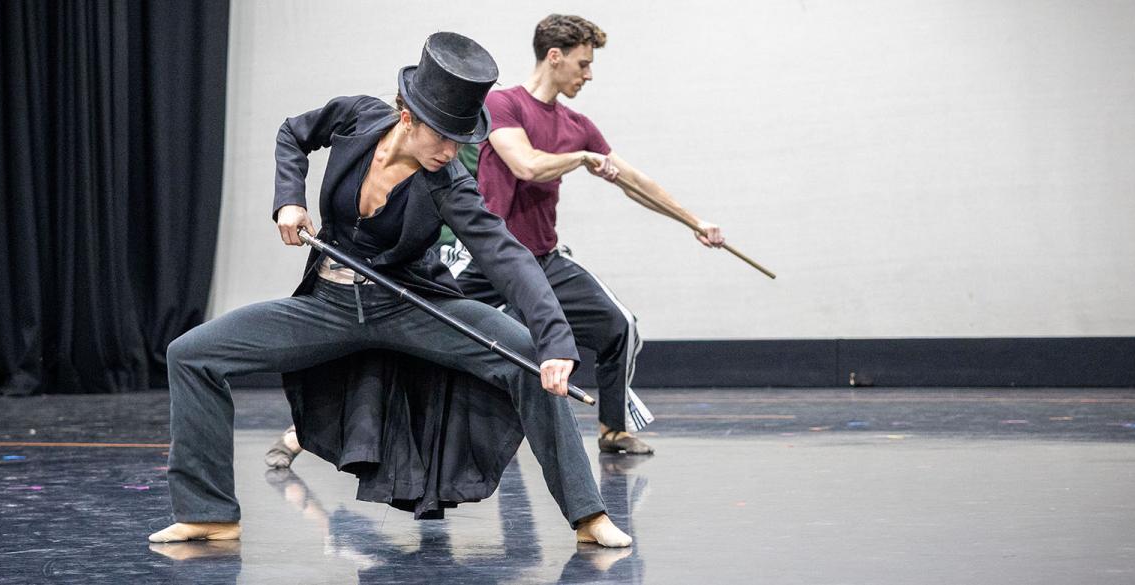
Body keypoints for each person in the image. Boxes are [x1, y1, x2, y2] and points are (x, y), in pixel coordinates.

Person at [149, 32, 631, 548]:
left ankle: (589, 516)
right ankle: (210, 513)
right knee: (191, 355)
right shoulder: (357, 119)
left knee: (532, 362)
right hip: (328, 304)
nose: (451, 152)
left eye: (461, 140)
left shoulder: (448, 184)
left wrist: (556, 342)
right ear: (407, 118)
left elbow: (506, 255)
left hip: (410, 305)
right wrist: (288, 199)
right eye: (442, 137)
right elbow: (293, 133)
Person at [446, 14, 727, 455]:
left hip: (543, 259)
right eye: (583, 63)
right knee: (429, 333)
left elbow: (634, 181)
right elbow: (526, 165)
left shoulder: (576, 125)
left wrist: (695, 222)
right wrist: (579, 158)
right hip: (488, 261)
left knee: (620, 326)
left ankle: (614, 429)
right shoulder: (503, 104)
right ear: (554, 57)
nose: (589, 74)